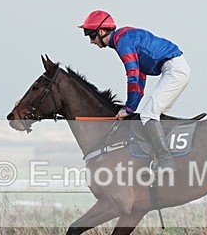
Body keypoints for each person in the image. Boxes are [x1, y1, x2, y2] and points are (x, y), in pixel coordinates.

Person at [78, 10, 191, 171]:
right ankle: (161, 157)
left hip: (174, 70)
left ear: (101, 31)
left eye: (91, 35)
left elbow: (132, 75)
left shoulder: (123, 43)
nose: (91, 41)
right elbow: (140, 77)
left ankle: (166, 161)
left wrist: (129, 108)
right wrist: (131, 107)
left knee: (148, 115)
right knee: (153, 116)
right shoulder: (123, 38)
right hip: (174, 68)